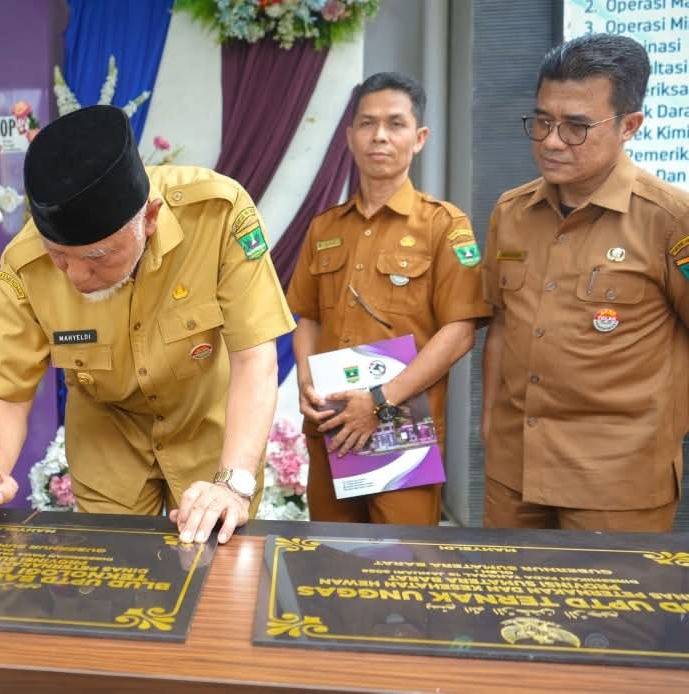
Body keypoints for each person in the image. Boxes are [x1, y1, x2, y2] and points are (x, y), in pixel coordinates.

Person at [0, 105, 295, 544]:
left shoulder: (216, 214)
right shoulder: (24, 264)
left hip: (208, 426)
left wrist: (233, 483)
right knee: (115, 567)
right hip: (107, 438)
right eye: (58, 256)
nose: (75, 276)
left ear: (150, 219)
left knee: (216, 563)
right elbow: (6, 391)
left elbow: (254, 358)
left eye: (97, 257)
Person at [481, 34, 689, 531]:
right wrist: (490, 425)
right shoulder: (511, 212)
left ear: (629, 126)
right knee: (504, 585)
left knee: (614, 589)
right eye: (542, 121)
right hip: (514, 471)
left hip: (616, 482)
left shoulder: (669, 219)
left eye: (576, 127)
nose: (552, 141)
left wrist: (665, 432)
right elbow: (502, 325)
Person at [287, 72, 491, 525]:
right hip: (333, 422)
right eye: (367, 123)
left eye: (395, 124)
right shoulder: (324, 227)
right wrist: (305, 379)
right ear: (350, 137)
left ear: (419, 138)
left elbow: (459, 332)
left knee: (402, 558)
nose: (379, 135)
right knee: (330, 553)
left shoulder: (444, 225)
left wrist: (379, 400)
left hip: (401, 426)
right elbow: (309, 319)